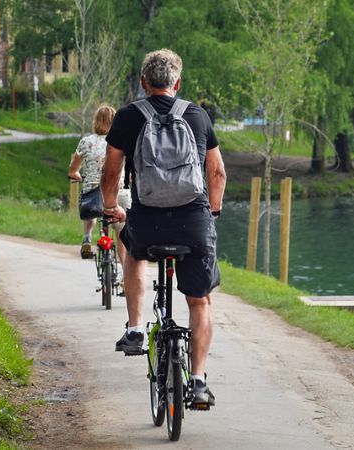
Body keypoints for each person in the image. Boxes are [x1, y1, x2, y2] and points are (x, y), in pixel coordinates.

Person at [100, 49, 227, 409]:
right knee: (200, 300)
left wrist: (110, 207)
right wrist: (211, 213)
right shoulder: (197, 116)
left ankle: (136, 327)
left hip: (148, 217)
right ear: (177, 83)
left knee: (134, 251)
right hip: (193, 220)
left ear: (144, 83)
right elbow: (216, 173)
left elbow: (111, 172)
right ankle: (199, 382)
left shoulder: (127, 117)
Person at [69, 105, 121, 259]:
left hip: (92, 189)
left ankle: (87, 238)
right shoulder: (119, 142)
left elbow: (73, 169)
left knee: (91, 212)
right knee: (120, 221)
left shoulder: (86, 142)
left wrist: (77, 176)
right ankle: (122, 253)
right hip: (114, 189)